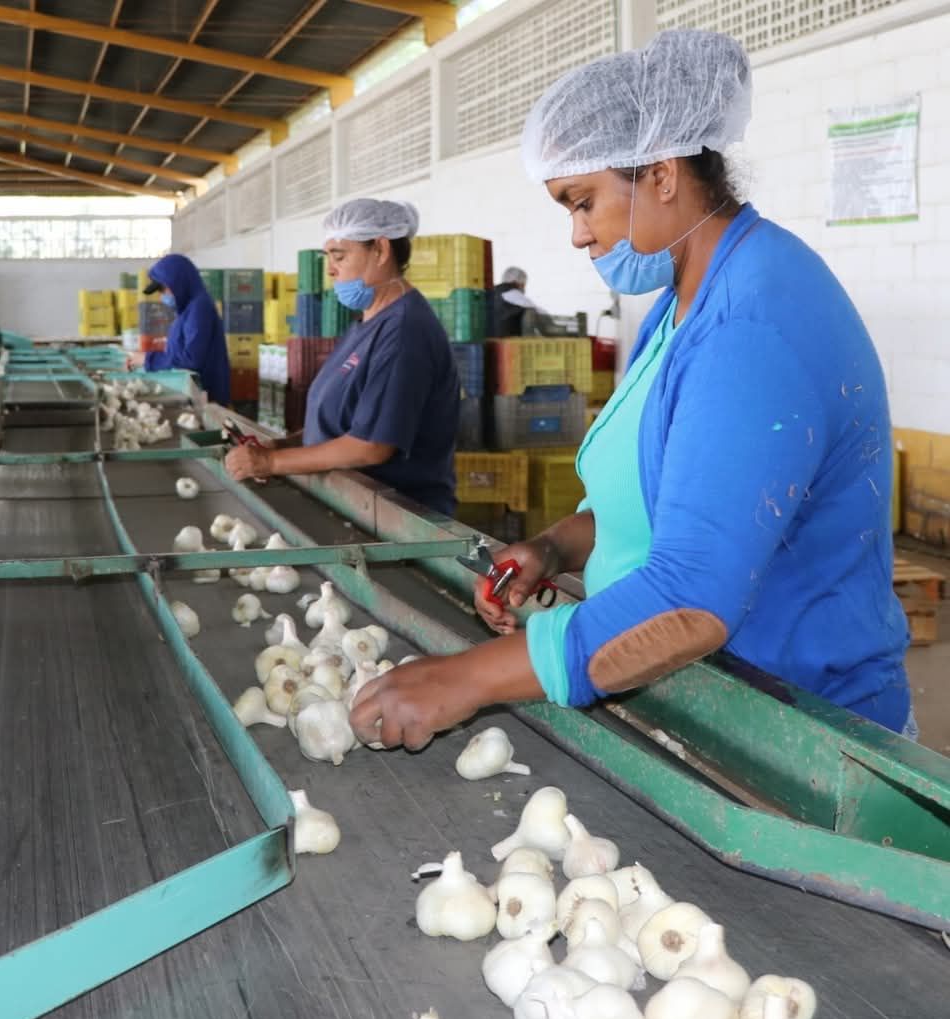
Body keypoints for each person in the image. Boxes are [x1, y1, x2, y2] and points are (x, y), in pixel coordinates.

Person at [349, 29, 910, 753]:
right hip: (713, 700)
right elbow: (660, 500)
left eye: (583, 202)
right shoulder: (685, 303)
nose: (579, 235)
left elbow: (691, 602)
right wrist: (556, 546)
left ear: (664, 175)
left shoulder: (751, 324)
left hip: (804, 734)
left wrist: (465, 680)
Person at [225, 199, 461, 516]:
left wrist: (271, 463)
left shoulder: (404, 332)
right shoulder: (367, 323)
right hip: (354, 506)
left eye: (340, 256)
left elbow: (371, 446)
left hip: (397, 519)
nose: (331, 269)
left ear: (380, 250)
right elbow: (342, 422)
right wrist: (282, 447)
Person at [128, 253, 229, 406]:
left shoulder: (199, 308)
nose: (162, 296)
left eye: (163, 289)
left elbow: (191, 359)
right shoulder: (187, 309)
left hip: (207, 397)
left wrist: (148, 359)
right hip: (194, 392)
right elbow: (180, 352)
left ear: (178, 282)